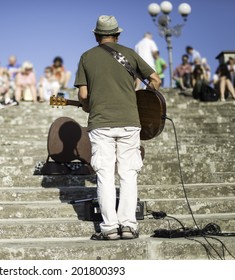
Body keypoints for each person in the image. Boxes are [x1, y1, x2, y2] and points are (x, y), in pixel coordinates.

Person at [74, 15, 161, 240]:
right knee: (128, 174)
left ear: (96, 35)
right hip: (130, 121)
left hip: (101, 123)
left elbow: (83, 95)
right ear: (118, 34)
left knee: (104, 175)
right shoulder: (130, 54)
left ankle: (110, 228)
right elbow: (155, 79)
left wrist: (87, 106)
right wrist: (143, 96)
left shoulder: (86, 57)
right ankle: (129, 225)